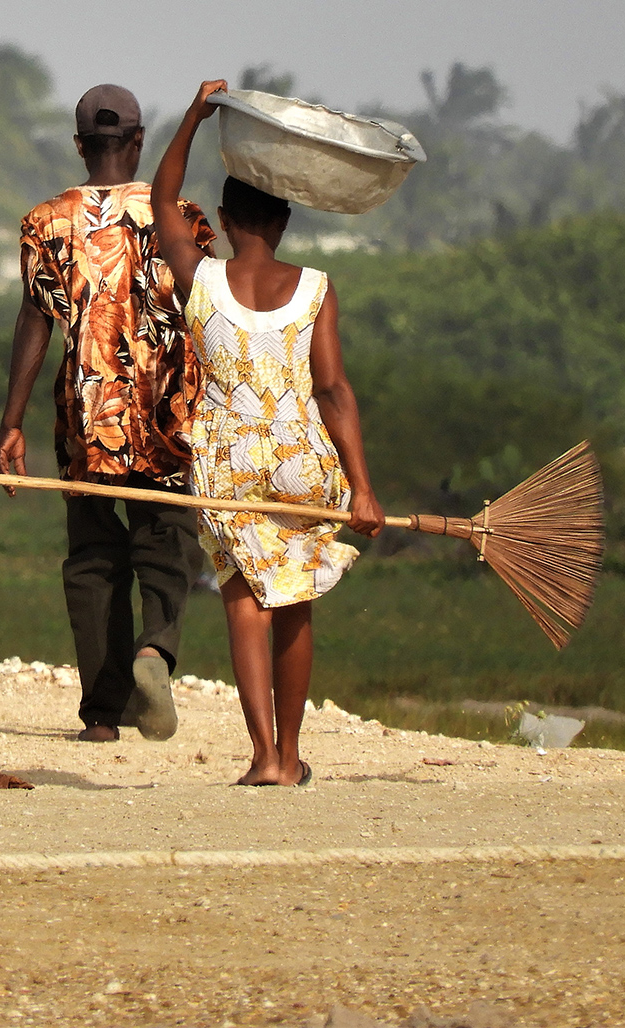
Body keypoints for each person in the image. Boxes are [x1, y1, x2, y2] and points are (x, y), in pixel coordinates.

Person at [149, 78, 385, 786]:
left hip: (225, 459)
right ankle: (291, 753)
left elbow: (162, 200)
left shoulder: (201, 278)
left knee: (244, 598)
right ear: (283, 223)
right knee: (294, 599)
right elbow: (334, 390)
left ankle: (264, 757)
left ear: (220, 220)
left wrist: (194, 114)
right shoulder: (316, 287)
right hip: (301, 457)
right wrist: (364, 490)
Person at [0, 83, 218, 743]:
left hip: (84, 418)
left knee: (94, 558)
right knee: (168, 542)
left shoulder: (46, 221)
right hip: (167, 417)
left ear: (79, 145)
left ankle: (104, 715)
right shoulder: (181, 215)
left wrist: (11, 421)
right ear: (139, 142)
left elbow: (36, 320)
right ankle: (155, 650)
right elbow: (210, 311)